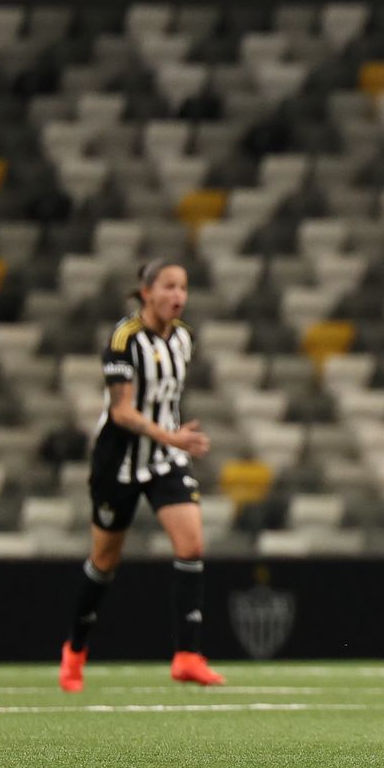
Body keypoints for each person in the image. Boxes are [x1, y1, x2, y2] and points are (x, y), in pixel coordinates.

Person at [59, 260, 224, 692]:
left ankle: (187, 656)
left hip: (165, 457)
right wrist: (171, 436)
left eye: (183, 288)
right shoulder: (124, 339)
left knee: (191, 544)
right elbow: (122, 412)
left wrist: (171, 440)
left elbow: (165, 399)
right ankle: (75, 650)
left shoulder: (184, 338)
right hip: (119, 461)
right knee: (104, 560)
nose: (178, 296)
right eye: (169, 287)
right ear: (146, 291)